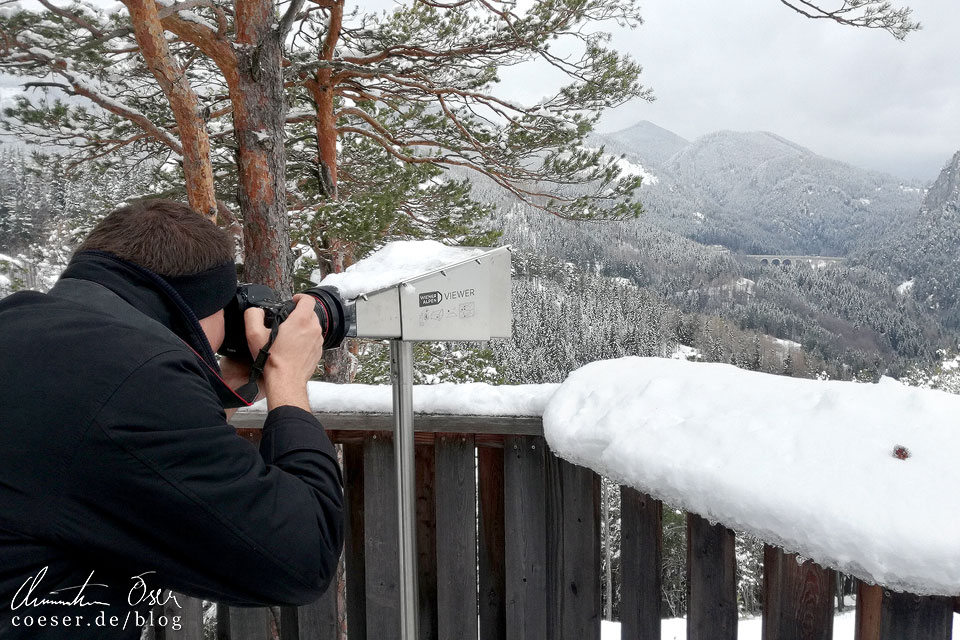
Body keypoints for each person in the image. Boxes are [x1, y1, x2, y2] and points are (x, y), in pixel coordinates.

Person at [0, 200, 344, 639]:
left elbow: (100, 452)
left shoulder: (22, 325)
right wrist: (289, 381)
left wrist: (216, 385)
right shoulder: (136, 386)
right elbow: (302, 558)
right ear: (195, 306)